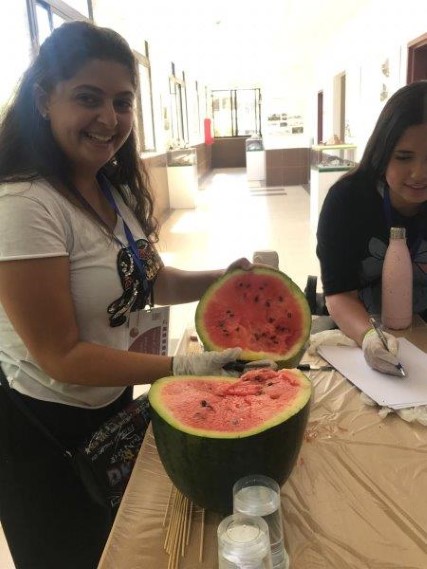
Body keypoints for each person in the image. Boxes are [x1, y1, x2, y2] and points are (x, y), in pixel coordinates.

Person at [0, 21, 250, 569]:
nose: (110, 119)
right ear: (43, 99)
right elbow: (60, 355)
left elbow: (149, 279)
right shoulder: (24, 204)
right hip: (45, 430)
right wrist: (181, 368)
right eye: (88, 98)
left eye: (122, 102)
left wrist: (224, 278)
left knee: (118, 549)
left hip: (111, 402)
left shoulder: (109, 188)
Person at [316, 80, 427, 376]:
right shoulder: (346, 201)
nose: (420, 173)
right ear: (383, 152)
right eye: (404, 157)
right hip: (357, 337)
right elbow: (339, 293)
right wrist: (368, 337)